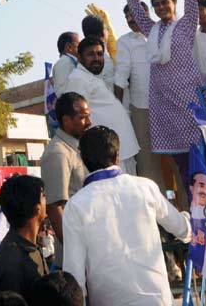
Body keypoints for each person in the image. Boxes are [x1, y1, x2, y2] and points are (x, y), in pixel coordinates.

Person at [62, 125, 192, 305]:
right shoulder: (145, 187)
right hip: (158, 300)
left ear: (83, 159)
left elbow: (74, 277)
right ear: (117, 156)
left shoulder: (75, 206)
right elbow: (183, 229)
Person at [127, 0, 206, 182]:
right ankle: (196, 214)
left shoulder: (186, 24)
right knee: (183, 166)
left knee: (205, 159)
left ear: (174, 3)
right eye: (156, 4)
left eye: (164, 2)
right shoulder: (151, 29)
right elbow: (132, 2)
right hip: (164, 105)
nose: (160, 7)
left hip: (189, 102)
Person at [64, 37, 140, 174]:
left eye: (99, 54)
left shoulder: (92, 77)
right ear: (80, 58)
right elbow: (78, 118)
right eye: (91, 54)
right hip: (107, 155)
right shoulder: (77, 78)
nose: (96, 58)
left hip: (122, 151)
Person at [113, 1, 165, 189]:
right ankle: (156, 212)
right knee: (147, 163)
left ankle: (186, 208)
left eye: (134, 14)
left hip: (168, 103)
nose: (130, 19)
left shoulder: (162, 32)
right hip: (141, 107)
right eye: (126, 16)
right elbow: (121, 76)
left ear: (146, 13)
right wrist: (117, 108)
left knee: (177, 157)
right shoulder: (125, 41)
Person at [41, 91, 90, 264]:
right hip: (76, 256)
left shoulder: (77, 147)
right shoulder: (58, 153)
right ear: (66, 120)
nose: (89, 123)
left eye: (88, 117)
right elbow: (54, 207)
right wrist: (75, 250)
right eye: (83, 118)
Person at [0, 175, 48, 302]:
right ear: (37, 208)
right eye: (43, 196)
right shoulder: (10, 265)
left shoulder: (29, 249)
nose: (47, 200)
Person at [81, 14, 116, 91]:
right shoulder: (101, 57)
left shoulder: (84, 56)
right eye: (106, 28)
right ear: (101, 33)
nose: (108, 31)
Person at [52, 32, 80, 97]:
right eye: (79, 45)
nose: (82, 48)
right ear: (69, 47)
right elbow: (64, 91)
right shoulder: (63, 63)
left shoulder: (72, 62)